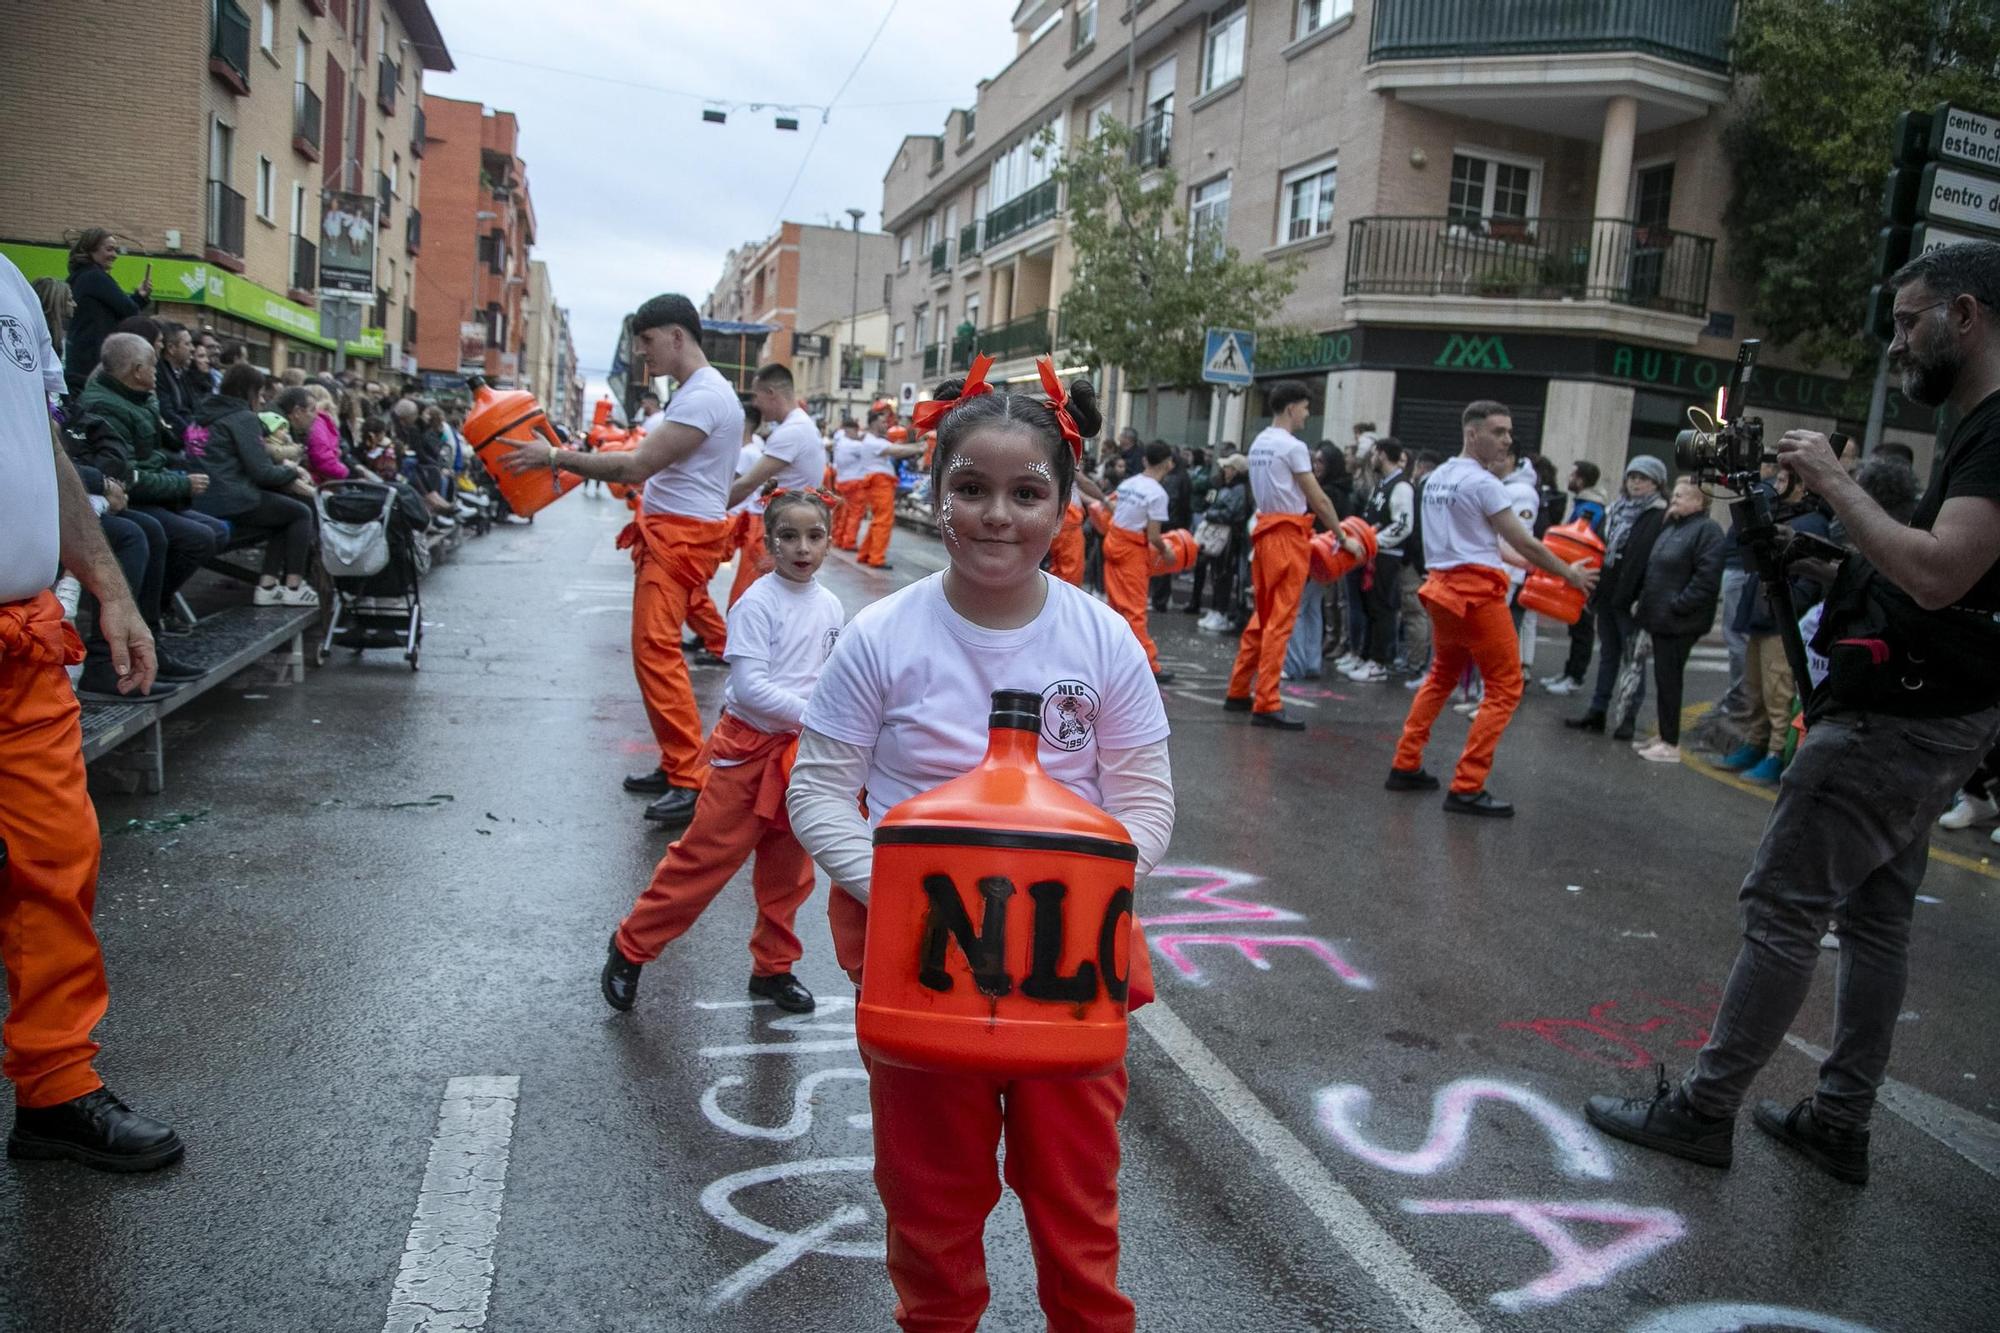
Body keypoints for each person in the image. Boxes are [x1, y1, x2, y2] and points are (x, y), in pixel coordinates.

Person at [1586, 241, 2000, 1186]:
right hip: (1939, 713)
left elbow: (1941, 573)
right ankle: (1840, 1118)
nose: (1898, 344)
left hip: (1898, 719)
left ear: (1966, 316)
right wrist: (1837, 565)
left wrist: (1832, 479)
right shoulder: (1979, 426)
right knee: (1878, 917)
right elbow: (1943, 575)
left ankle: (1704, 1107)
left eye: (1909, 321)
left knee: (1784, 906)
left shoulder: (1994, 430)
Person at [786, 352, 1171, 1332]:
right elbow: (820, 790)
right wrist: (910, 891)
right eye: (971, 489)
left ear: (1064, 504)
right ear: (934, 492)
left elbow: (1142, 803)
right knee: (929, 1210)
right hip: (915, 959)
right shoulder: (880, 636)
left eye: (1025, 492)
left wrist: (1065, 896)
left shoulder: (1103, 641)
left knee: (1077, 1212)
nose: (998, 515)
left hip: (1065, 965)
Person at [0, 252, 184, 1171]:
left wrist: (108, 584)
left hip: (24, 642)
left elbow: (43, 452)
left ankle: (55, 1088)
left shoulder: (7, 288)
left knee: (58, 863)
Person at [600, 490, 844, 1016]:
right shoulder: (757, 601)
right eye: (789, 536)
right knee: (702, 862)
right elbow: (752, 688)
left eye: (814, 536)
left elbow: (826, 676)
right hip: (749, 753)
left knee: (790, 871)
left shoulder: (829, 604)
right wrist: (818, 716)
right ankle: (630, 947)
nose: (802, 547)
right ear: (768, 541)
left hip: (800, 756)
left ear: (829, 540)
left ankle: (773, 970)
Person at [501, 294, 742, 825]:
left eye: (647, 342)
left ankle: (687, 775)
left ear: (677, 336)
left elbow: (636, 467)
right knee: (654, 654)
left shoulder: (703, 396)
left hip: (679, 539)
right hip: (675, 536)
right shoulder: (698, 393)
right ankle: (676, 761)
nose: (642, 354)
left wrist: (556, 457)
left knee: (656, 654)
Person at [1387, 401, 1596, 815]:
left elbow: (1491, 543)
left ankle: (1405, 763)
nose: (1507, 440)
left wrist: (1530, 566)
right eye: (1498, 431)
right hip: (1477, 592)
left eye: (1509, 432)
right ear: (1472, 433)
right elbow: (1524, 542)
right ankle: (1467, 785)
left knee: (1441, 676)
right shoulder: (1484, 484)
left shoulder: (1439, 477)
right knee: (1505, 686)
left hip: (1442, 589)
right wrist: (1568, 575)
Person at [71, 334, 216, 677]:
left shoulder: (138, 398)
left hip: (114, 491)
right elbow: (120, 467)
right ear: (137, 370)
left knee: (158, 531)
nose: (158, 369)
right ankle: (108, 657)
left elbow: (140, 459)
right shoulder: (105, 404)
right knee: (143, 534)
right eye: (153, 363)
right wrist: (177, 483)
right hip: (110, 496)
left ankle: (147, 638)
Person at [1224, 382, 1358, 731]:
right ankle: (1267, 701)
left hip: (1265, 533)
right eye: (1304, 407)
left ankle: (1239, 690)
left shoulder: (1259, 444)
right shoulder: (1292, 446)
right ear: (1290, 409)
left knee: (1262, 618)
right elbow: (1319, 499)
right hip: (1288, 536)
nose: (1307, 414)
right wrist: (1344, 538)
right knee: (1281, 622)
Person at [1713, 463, 1831, 783]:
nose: (1775, 484)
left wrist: (1786, 607)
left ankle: (1776, 753)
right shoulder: (1782, 515)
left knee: (1777, 692)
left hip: (1780, 622)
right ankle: (1755, 742)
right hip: (1762, 616)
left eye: (1783, 479)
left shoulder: (1812, 524)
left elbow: (1809, 580)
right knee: (1756, 688)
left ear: (1803, 487)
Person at [193, 364, 319, 606]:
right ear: (249, 392)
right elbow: (262, 472)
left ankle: (269, 586)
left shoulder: (204, 413)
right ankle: (294, 587)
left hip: (200, 498)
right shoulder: (242, 419)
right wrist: (291, 472)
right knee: (300, 512)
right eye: (260, 394)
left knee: (282, 513)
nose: (262, 401)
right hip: (228, 500)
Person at [1567, 456, 1669, 738]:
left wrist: (1644, 598)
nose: (1636, 483)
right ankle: (1597, 711)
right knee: (1608, 656)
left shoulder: (1661, 515)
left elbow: (1655, 561)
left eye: (1643, 478)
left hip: (1634, 600)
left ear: (1657, 484)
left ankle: (1627, 718)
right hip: (1607, 594)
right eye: (1632, 477)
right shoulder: (1614, 510)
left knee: (1633, 661)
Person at [1631, 478, 1726, 763]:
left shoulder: (1707, 530)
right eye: (1674, 495)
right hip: (1661, 618)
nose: (1674, 500)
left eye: (1681, 496)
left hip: (1678, 621)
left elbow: (1707, 579)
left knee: (1670, 681)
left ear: (1700, 502)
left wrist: (1678, 606)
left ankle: (1670, 744)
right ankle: (1663, 735)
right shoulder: (1674, 525)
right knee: (1664, 679)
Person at [726, 364, 830, 606]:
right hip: (793, 525)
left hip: (779, 528)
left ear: (771, 393)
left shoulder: (791, 432)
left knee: (747, 600)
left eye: (757, 395)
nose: (756, 404)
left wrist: (707, 511)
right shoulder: (802, 426)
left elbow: (748, 483)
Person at [1104, 440, 1176, 681]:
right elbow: (1155, 535)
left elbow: (1115, 510)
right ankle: (1149, 665)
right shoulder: (1157, 493)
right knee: (1134, 610)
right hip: (1131, 551)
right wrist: (1167, 552)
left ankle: (1113, 660)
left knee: (1115, 607)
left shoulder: (1128, 483)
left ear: (1145, 460)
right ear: (1168, 464)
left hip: (1113, 542)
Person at [1346, 438, 1414, 683]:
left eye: (1374, 454)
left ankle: (1379, 662)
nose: (1371, 459)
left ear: (1383, 455)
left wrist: (1374, 541)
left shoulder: (1401, 487)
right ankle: (1366, 656)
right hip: (1373, 554)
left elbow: (1404, 525)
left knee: (1383, 608)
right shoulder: (1381, 485)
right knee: (1369, 606)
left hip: (1386, 557)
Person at [1543, 460, 1609, 695]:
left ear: (1581, 480)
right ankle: (1569, 672)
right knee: (1576, 625)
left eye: (1572, 475)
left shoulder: (1589, 508)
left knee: (1582, 627)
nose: (1569, 479)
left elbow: (1581, 542)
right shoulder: (1585, 504)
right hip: (1578, 572)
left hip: (1583, 574)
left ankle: (1575, 677)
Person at [61, 229, 151, 395]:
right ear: (91, 249)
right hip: (92, 366)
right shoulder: (95, 277)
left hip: (79, 365)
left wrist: (139, 297)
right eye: (109, 249)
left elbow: (123, 308)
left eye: (115, 250)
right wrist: (139, 298)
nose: (115, 255)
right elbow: (129, 310)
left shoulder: (78, 277)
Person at [853, 409, 924, 569]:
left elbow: (894, 448)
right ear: (873, 423)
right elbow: (897, 451)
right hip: (880, 483)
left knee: (877, 520)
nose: (886, 425)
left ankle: (866, 554)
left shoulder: (873, 440)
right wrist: (921, 447)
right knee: (883, 520)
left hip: (879, 482)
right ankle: (876, 558)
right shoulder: (872, 441)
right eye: (883, 422)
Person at [829, 417, 868, 550]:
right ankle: (849, 541)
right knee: (855, 513)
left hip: (841, 481)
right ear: (852, 429)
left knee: (842, 512)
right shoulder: (855, 445)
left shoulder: (840, 441)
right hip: (855, 483)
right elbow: (869, 450)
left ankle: (837, 537)